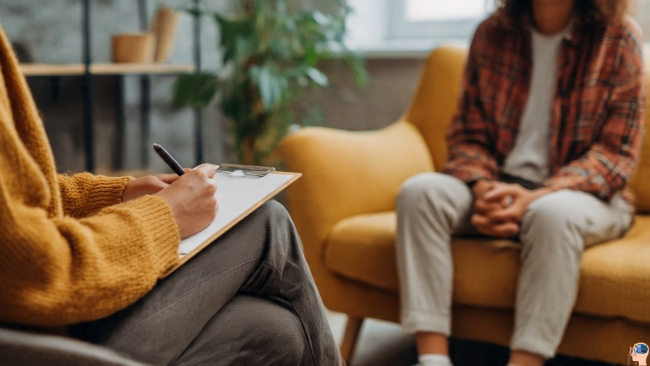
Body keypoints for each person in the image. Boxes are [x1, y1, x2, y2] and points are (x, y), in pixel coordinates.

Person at [0, 23, 340, 366]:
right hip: (34, 342)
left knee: (277, 331)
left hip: (38, 323)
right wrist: (166, 215)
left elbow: (14, 201)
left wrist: (116, 194)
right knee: (267, 222)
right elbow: (36, 269)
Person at [396, 1, 644, 366]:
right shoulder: (491, 33)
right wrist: (483, 190)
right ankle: (432, 358)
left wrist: (535, 197)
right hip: (498, 183)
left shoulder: (619, 37)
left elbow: (614, 156)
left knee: (550, 214)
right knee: (419, 192)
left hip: (581, 194)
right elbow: (467, 136)